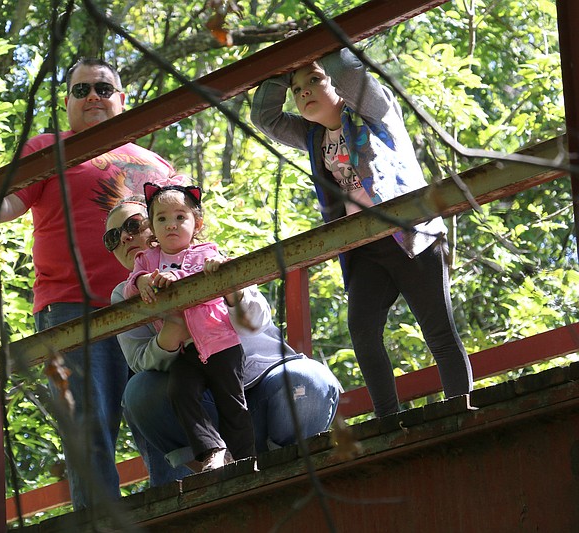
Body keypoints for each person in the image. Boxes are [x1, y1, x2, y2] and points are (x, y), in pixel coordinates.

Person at [0, 58, 178, 509]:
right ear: (67, 101)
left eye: (104, 90)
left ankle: (181, 508)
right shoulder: (48, 148)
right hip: (76, 307)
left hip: (153, 304)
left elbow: (184, 231)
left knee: (164, 407)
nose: (93, 97)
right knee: (89, 423)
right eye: (81, 89)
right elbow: (5, 205)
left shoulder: (156, 163)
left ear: (122, 100)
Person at [250, 47, 473, 417]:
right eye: (296, 88)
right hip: (365, 247)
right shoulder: (312, 135)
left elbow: (348, 69)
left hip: (411, 237)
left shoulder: (375, 111)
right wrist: (284, 67)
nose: (304, 92)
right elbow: (265, 117)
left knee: (438, 333)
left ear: (335, 84)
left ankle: (459, 412)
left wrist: (311, 43)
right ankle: (388, 420)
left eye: (314, 81)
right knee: (364, 332)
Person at [106, 196, 342, 485]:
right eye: (112, 237)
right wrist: (171, 332)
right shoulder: (124, 294)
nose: (126, 237)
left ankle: (282, 470)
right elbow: (139, 360)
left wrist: (230, 289)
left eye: (133, 224)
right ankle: (211, 460)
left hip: (266, 383)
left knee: (310, 380)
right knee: (139, 392)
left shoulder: (208, 256)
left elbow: (257, 319)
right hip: (201, 402)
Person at [122, 182, 255, 471]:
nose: (171, 224)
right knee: (180, 392)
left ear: (197, 224)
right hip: (186, 351)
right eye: (162, 219)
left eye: (180, 217)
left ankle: (246, 461)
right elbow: (130, 288)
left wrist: (216, 266)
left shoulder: (206, 252)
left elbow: (224, 268)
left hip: (221, 343)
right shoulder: (147, 260)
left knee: (232, 403)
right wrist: (142, 281)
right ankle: (213, 450)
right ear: (152, 229)